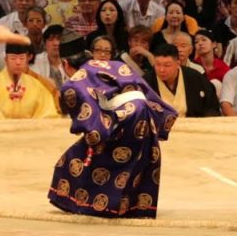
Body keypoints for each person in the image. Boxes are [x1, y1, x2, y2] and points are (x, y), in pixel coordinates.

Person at [48, 35, 178, 219]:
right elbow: (143, 89)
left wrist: (95, 137)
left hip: (124, 119)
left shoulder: (74, 83)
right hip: (144, 115)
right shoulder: (115, 64)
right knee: (138, 160)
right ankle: (133, 208)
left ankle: (95, 206)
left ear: (66, 63)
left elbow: (91, 124)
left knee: (75, 160)